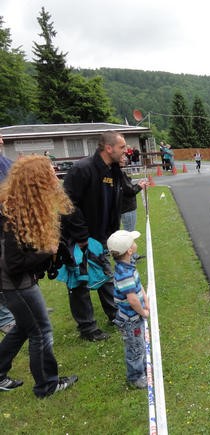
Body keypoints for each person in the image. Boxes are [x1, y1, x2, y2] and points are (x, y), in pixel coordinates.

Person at [0, 155, 78, 397]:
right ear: (37, 181)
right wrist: (48, 252)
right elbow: (13, 264)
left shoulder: (20, 205)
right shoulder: (12, 213)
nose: (55, 177)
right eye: (50, 174)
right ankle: (47, 385)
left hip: (15, 281)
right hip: (16, 285)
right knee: (41, 331)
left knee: (24, 327)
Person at [61, 131, 126, 341]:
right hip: (78, 238)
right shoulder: (83, 169)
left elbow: (114, 200)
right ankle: (87, 328)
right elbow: (67, 204)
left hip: (101, 236)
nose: (126, 151)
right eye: (122, 147)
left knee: (105, 274)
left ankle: (114, 314)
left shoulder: (113, 170)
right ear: (109, 148)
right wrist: (81, 236)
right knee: (80, 281)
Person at [107, 230, 149, 389]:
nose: (135, 243)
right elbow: (132, 300)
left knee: (139, 345)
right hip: (131, 320)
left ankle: (143, 367)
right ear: (129, 250)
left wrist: (145, 299)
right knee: (134, 349)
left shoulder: (128, 265)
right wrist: (143, 312)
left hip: (135, 317)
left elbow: (138, 286)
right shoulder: (124, 274)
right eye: (133, 241)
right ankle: (136, 377)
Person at [0, 134, 15, 335]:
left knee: (11, 266)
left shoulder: (6, 162)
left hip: (9, 224)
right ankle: (4, 317)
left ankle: (17, 309)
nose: (2, 140)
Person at [120, 155, 148, 260]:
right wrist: (139, 186)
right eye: (122, 157)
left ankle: (133, 255)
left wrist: (137, 185)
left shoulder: (119, 172)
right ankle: (130, 257)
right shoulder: (119, 173)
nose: (124, 159)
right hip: (127, 207)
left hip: (126, 206)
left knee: (129, 232)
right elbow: (129, 191)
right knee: (129, 233)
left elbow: (128, 188)